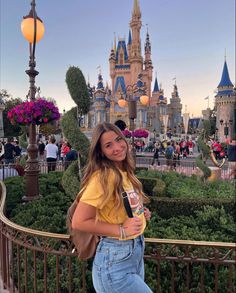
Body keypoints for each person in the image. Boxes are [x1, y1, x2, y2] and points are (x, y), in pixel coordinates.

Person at [71, 122, 152, 293]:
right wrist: (121, 229)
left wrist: (141, 213)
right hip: (115, 261)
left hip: (133, 254)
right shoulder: (103, 176)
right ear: (101, 152)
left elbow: (118, 207)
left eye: (118, 139)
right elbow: (79, 221)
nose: (117, 147)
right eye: (109, 145)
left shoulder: (122, 172)